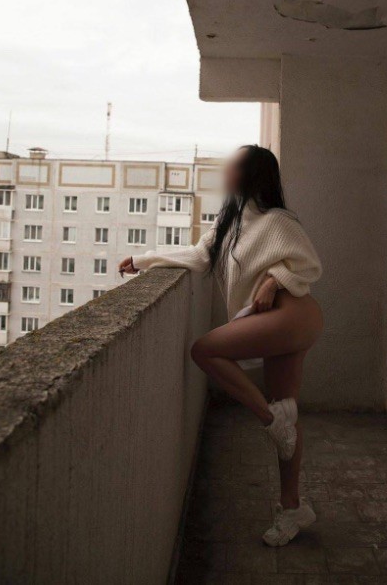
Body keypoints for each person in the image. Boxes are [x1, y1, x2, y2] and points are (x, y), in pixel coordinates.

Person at [119, 144, 323, 546]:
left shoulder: (277, 221)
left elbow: (309, 264)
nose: (225, 171)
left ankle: (268, 419)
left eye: (232, 166)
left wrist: (274, 280)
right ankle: (293, 508)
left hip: (294, 315)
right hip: (275, 323)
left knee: (205, 350)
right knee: (287, 415)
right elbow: (198, 257)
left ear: (249, 174)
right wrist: (143, 260)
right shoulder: (228, 223)